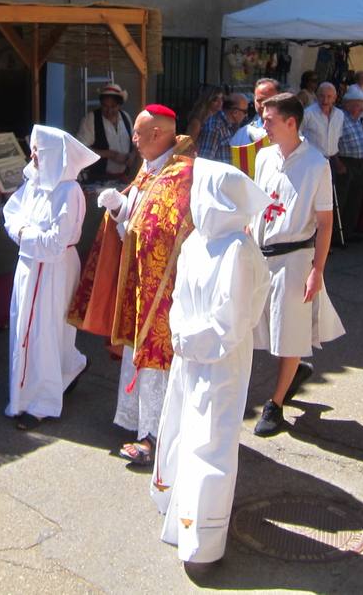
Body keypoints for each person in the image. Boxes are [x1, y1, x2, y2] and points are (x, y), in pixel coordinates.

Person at [150, 159, 270, 566]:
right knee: (183, 429)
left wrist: (190, 339)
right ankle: (179, 516)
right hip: (189, 356)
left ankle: (204, 539)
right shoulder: (195, 242)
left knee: (211, 440)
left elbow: (232, 320)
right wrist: (181, 334)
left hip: (220, 361)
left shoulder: (238, 250)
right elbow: (179, 300)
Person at [69, 105, 194, 467]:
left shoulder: (181, 172)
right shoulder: (152, 164)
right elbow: (142, 218)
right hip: (140, 279)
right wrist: (122, 208)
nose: (133, 140)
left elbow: (163, 232)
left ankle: (155, 437)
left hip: (163, 287)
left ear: (158, 134)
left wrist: (126, 214)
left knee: (156, 361)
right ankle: (139, 423)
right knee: (137, 356)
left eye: (138, 134)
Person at [251, 93, 341, 436]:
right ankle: (298, 368)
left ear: (291, 122)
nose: (264, 126)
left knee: (288, 330)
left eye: (269, 120)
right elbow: (256, 204)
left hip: (295, 257)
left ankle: (275, 404)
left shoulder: (317, 164)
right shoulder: (263, 157)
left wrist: (317, 270)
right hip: (261, 255)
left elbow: (325, 222)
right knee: (255, 324)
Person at [2, 126, 98, 429]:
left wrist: (24, 233)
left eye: (38, 151)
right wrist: (25, 233)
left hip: (54, 269)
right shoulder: (33, 182)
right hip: (30, 265)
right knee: (27, 330)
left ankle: (41, 401)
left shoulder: (69, 191)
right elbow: (11, 212)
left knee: (45, 333)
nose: (32, 156)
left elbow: (55, 243)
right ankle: (60, 373)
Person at [334, 84, 363, 244]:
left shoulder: (357, 121)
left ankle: (349, 232)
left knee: (355, 199)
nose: (361, 109)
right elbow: (333, 142)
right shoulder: (341, 118)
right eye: (358, 105)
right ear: (348, 105)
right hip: (345, 162)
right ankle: (336, 235)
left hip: (359, 162)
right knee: (342, 199)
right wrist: (338, 163)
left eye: (361, 106)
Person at [76, 83, 136, 182]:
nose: (109, 111)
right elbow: (80, 149)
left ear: (120, 105)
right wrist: (111, 154)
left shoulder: (125, 117)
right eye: (105, 106)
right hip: (98, 180)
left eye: (113, 107)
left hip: (122, 178)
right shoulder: (92, 119)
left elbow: (135, 142)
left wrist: (132, 155)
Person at [300, 83, 344, 183]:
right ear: (317, 96)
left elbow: (336, 140)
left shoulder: (339, 115)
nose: (325, 100)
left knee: (328, 195)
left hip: (331, 162)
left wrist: (338, 162)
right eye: (322, 96)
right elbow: (297, 135)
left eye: (329, 97)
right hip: (311, 161)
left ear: (335, 98)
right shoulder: (308, 113)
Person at [195, 93, 248, 163]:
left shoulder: (231, 126)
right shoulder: (215, 127)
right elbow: (205, 161)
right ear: (235, 112)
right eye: (245, 111)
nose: (246, 115)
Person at [230, 78, 279, 147]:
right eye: (259, 100)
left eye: (268, 100)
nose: (263, 105)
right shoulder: (242, 135)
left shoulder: (290, 132)